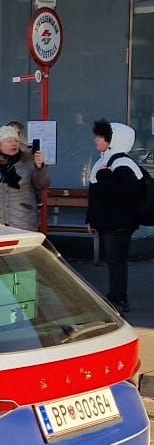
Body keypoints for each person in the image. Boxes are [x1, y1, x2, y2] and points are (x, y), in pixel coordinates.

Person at [86, 120, 142, 312]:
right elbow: (97, 197)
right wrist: (91, 219)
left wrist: (104, 177)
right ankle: (116, 296)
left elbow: (125, 193)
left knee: (116, 261)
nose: (96, 140)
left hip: (118, 224)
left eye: (101, 136)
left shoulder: (121, 162)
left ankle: (119, 298)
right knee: (114, 261)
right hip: (111, 223)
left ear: (112, 140)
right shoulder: (107, 160)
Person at [0, 123, 50, 230]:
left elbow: (42, 184)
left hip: (23, 220)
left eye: (16, 141)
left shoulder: (28, 161)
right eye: (9, 141)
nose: (14, 144)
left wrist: (40, 167)